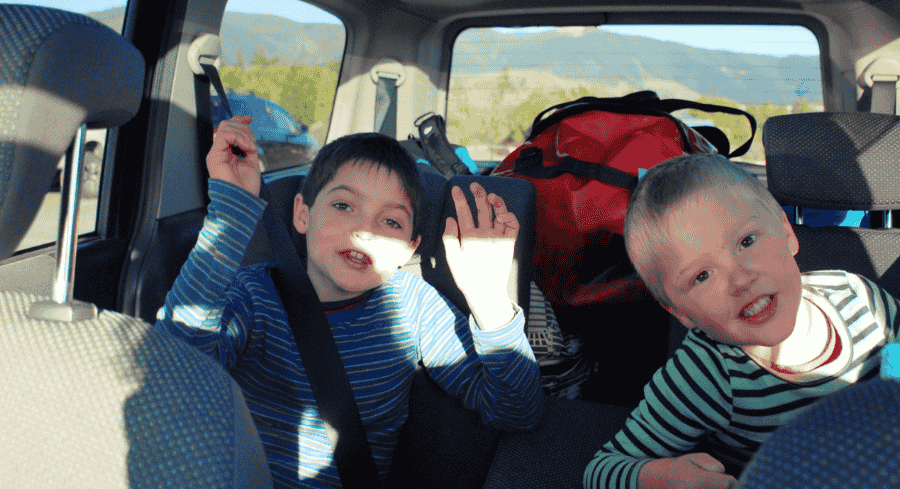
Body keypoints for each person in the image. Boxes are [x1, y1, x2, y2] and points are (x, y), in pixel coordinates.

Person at [157, 115, 544, 488]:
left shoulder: (414, 307)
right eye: (343, 206)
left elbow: (517, 411)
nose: (364, 231)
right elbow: (173, 368)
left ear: (407, 249)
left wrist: (489, 299)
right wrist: (233, 210)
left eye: (390, 222)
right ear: (303, 215)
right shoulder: (252, 294)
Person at [583, 154, 900, 489]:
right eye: (702, 275)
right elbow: (602, 471)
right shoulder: (705, 375)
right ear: (682, 314)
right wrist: (665, 477)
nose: (739, 280)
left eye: (746, 241)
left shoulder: (856, 295)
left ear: (786, 233)